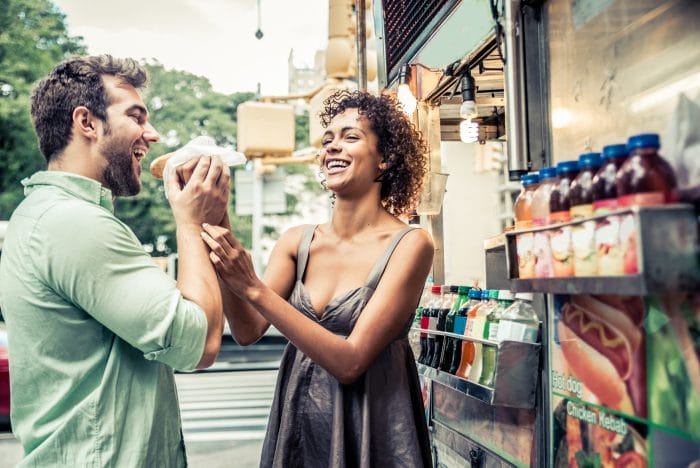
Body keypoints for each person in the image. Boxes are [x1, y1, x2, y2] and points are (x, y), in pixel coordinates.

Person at [0, 55, 229, 466]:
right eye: (137, 117)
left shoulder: (49, 214)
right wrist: (189, 221)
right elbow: (199, 345)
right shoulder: (72, 222)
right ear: (86, 122)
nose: (152, 134)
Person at [201, 90, 434, 467]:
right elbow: (246, 330)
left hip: (372, 430)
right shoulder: (298, 241)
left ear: (385, 159)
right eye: (327, 140)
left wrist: (254, 288)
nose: (332, 148)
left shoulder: (410, 244)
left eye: (350, 137)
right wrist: (216, 218)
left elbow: (351, 362)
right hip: (300, 426)